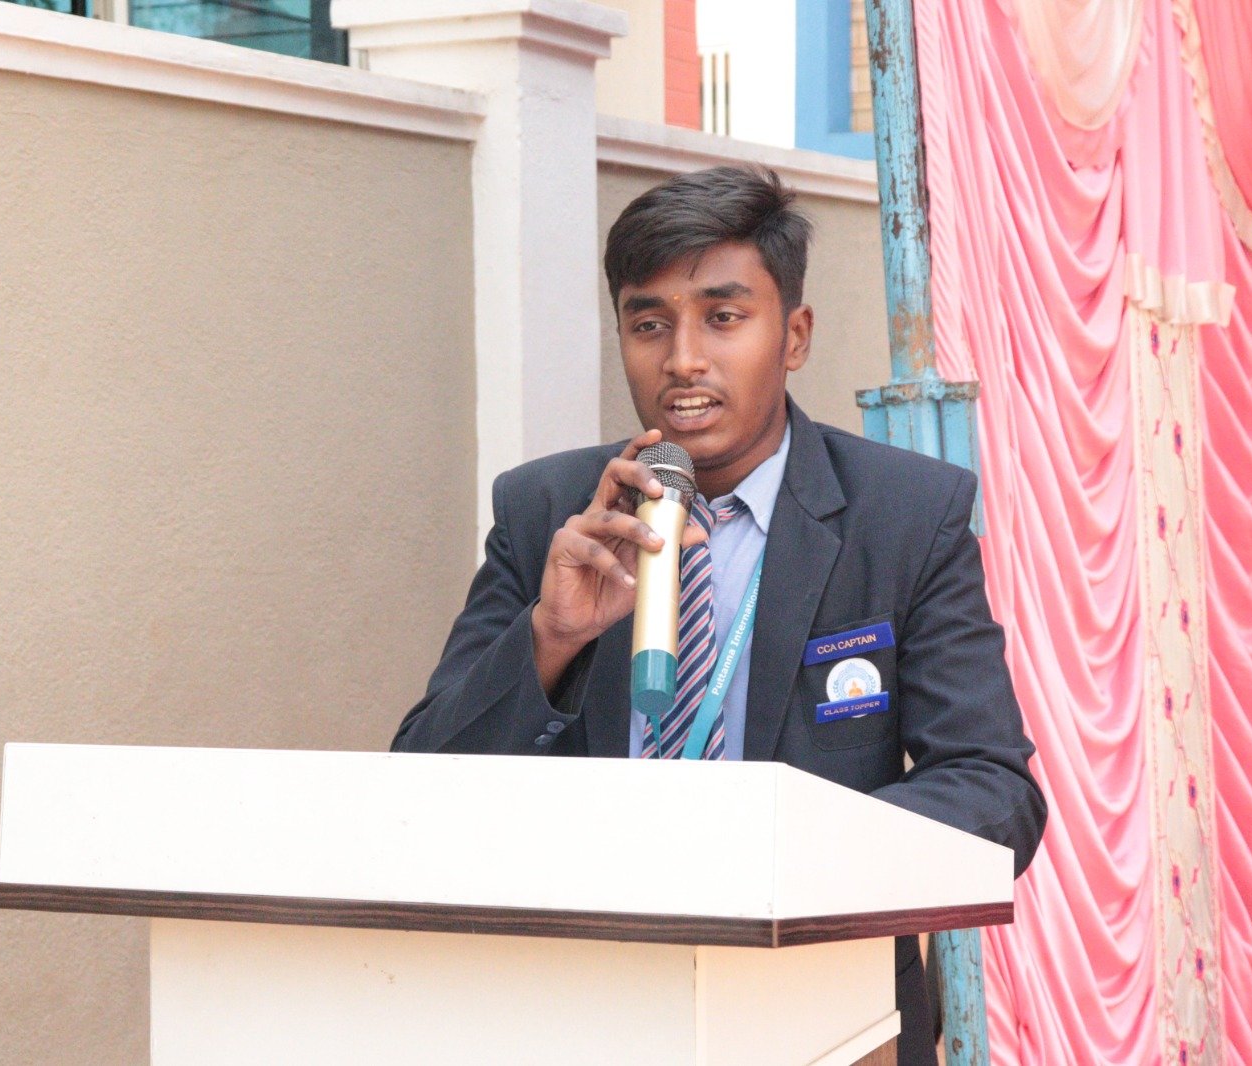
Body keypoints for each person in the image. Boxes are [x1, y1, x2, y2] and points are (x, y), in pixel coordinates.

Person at [393, 165, 1045, 1064]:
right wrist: (551, 638)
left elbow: (992, 790)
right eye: (648, 324)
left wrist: (782, 856)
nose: (683, 359)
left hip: (823, 1007)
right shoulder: (549, 512)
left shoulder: (904, 516)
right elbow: (418, 791)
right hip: (579, 1006)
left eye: (724, 317)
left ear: (794, 335)